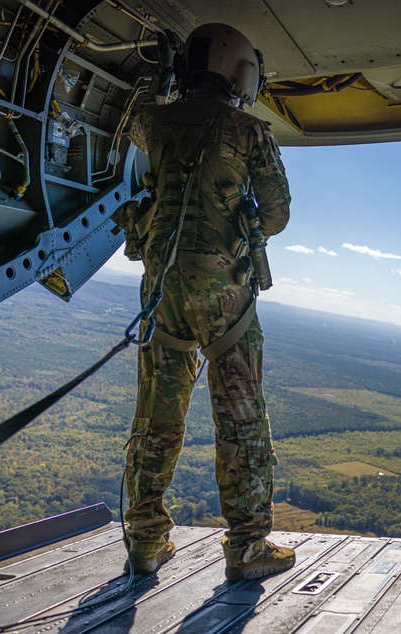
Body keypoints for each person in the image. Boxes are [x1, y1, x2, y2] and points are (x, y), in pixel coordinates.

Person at [121, 23, 293, 581]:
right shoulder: (249, 132)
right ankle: (246, 548)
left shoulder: (154, 122)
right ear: (241, 72)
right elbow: (277, 212)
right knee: (240, 419)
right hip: (225, 300)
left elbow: (143, 131)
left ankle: (146, 543)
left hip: (161, 292)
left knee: (156, 418)